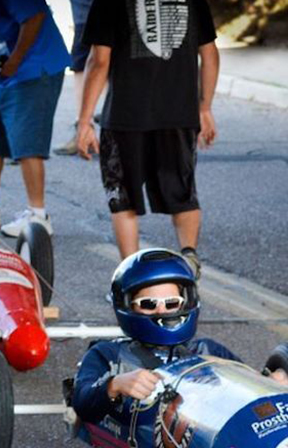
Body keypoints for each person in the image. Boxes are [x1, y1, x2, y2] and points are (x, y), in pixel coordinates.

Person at [76, 0, 219, 278]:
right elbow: (210, 54)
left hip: (125, 114)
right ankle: (188, 260)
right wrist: (204, 107)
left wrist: (84, 120)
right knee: (183, 192)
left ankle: (131, 277)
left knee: (123, 196)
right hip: (179, 112)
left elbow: (99, 61)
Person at [72, 249, 288, 425]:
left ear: (185, 302)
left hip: (214, 432)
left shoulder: (207, 350)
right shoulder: (108, 354)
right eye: (149, 304)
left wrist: (269, 383)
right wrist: (114, 385)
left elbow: (246, 391)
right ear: (128, 306)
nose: (163, 311)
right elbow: (81, 402)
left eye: (172, 303)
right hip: (173, 446)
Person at [0, 0, 70, 237]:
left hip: (34, 68)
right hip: (8, 72)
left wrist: (13, 62)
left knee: (27, 144)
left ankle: (38, 215)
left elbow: (34, 18)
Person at [52, 0, 93, 155]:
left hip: (88, 17)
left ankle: (83, 129)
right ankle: (84, 128)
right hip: (90, 16)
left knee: (83, 66)